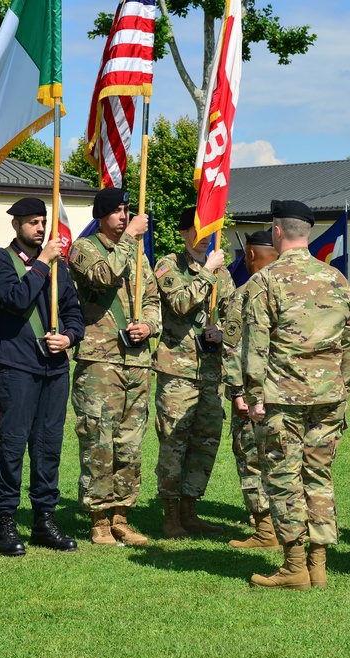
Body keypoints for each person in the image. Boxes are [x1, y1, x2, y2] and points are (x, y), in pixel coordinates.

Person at [242, 200, 350, 590]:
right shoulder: (336, 279)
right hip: (328, 396)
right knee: (319, 476)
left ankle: (295, 565)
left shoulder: (265, 280)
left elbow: (255, 345)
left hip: (282, 398)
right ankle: (318, 564)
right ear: (305, 233)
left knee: (283, 478)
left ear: (277, 232)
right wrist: (341, 387)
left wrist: (253, 394)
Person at [0, 197, 85, 557]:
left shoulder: (59, 269)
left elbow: (75, 313)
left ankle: (44, 518)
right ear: (16, 225)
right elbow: (16, 298)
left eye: (43, 222)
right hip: (16, 367)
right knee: (12, 447)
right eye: (32, 222)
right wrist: (43, 262)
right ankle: (5, 520)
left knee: (48, 448)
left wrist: (69, 337)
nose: (40, 229)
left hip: (54, 369)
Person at [69, 187, 159, 546]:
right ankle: (99, 519)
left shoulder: (137, 253)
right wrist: (131, 238)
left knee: (130, 443)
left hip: (136, 360)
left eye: (127, 211)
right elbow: (104, 277)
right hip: (99, 360)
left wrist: (150, 324)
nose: (124, 217)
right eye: (117, 211)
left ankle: (122, 515)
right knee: (98, 441)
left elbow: (152, 298)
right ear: (101, 215)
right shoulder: (84, 249)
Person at [153, 206, 234, 538]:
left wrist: (223, 332)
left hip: (211, 371)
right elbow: (181, 303)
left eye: (207, 232)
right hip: (178, 369)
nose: (202, 239)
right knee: (175, 441)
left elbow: (233, 315)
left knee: (205, 442)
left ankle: (191, 509)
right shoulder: (167, 265)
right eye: (195, 232)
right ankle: (170, 515)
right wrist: (207, 272)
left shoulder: (222, 274)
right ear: (184, 233)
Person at [223, 229, 280, 549]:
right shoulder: (294, 288)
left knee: (252, 459)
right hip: (292, 394)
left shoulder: (246, 292)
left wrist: (237, 393)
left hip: (253, 393)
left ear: (252, 255)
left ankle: (264, 530)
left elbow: (232, 349)